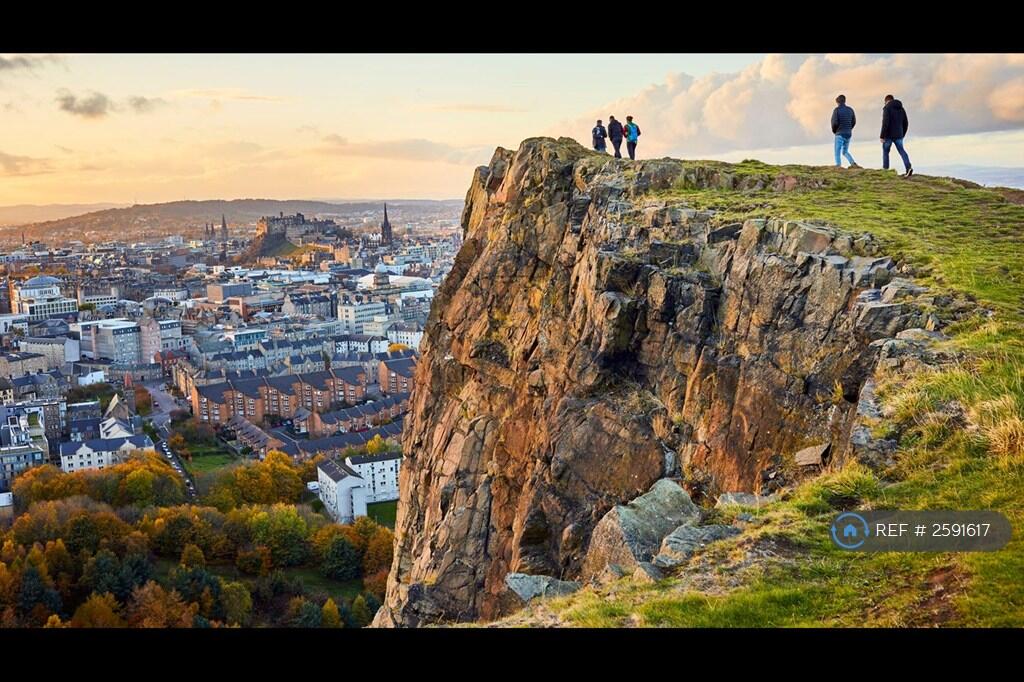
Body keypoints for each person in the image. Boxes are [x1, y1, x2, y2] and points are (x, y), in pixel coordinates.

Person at [880, 94, 913, 177]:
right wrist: (902, 134)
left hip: (888, 135)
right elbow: (906, 123)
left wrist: (882, 136)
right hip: (899, 134)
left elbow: (885, 123)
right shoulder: (901, 109)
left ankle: (885, 170)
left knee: (886, 151)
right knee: (902, 151)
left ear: (886, 101)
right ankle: (908, 168)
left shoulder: (886, 108)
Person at [830, 94, 859, 168]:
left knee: (837, 151)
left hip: (839, 133)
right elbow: (854, 121)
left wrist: (835, 131)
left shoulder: (836, 110)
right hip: (848, 133)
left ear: (838, 102)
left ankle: (838, 165)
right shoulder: (850, 110)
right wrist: (849, 128)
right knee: (845, 151)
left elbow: (834, 122)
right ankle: (852, 162)